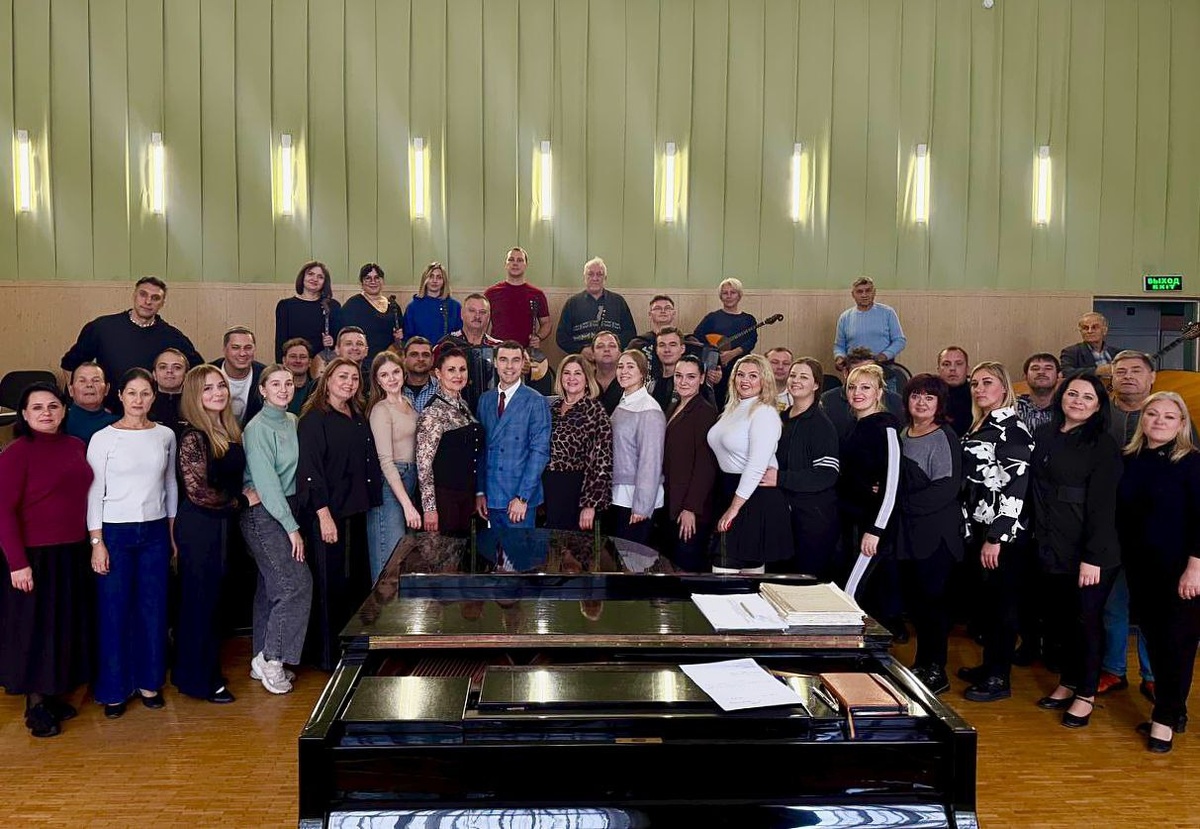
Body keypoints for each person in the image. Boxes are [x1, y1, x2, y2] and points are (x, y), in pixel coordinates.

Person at [0, 383, 94, 737]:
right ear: (24, 414)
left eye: (53, 406)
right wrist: (17, 563)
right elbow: (3, 512)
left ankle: (54, 694)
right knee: (35, 630)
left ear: (64, 410)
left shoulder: (76, 446)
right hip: (33, 556)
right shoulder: (16, 453)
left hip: (72, 551)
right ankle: (36, 704)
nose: (46, 413)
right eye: (37, 407)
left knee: (63, 626)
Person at [1029, 372, 1122, 728]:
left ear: (1098, 406)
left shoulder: (1103, 444)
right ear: (1061, 397)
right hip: (1053, 543)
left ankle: (1086, 694)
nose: (1078, 401)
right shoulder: (1046, 434)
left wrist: (1092, 558)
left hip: (1092, 552)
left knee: (1087, 622)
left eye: (1087, 397)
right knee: (1062, 621)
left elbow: (1104, 506)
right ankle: (1068, 681)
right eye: (1072, 394)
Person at [86, 368, 178, 718]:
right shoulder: (103, 438)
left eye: (145, 393)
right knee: (114, 610)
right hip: (114, 532)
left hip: (154, 531)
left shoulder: (165, 435)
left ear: (154, 397)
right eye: (132, 393)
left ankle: (149, 682)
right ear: (120, 395)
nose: (139, 400)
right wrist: (97, 540)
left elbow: (170, 485)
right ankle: (114, 688)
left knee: (153, 609)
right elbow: (94, 491)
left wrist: (171, 533)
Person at [1118, 392, 1200, 752]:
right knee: (1154, 638)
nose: (1159, 421)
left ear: (1182, 424)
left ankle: (1164, 720)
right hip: (1141, 568)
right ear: (1143, 418)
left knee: (1177, 644)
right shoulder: (1130, 458)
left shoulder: (1192, 462)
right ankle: (1174, 709)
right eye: (1153, 414)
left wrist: (1195, 567)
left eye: (1169, 416)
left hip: (1182, 569)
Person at [298, 357, 382, 671]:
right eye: (342, 377)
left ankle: (353, 650)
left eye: (354, 378)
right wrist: (323, 515)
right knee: (328, 584)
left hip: (355, 508)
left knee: (355, 582)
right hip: (327, 513)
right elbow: (310, 470)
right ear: (328, 380)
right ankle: (327, 656)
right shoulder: (314, 418)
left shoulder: (357, 414)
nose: (349, 383)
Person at [958, 361, 1035, 703]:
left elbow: (1017, 486)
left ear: (1004, 388)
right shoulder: (981, 424)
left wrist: (996, 537)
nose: (979, 389)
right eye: (975, 384)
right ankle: (989, 664)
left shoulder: (1011, 429)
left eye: (987, 382)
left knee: (1004, 607)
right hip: (980, 526)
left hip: (1005, 535)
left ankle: (998, 677)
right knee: (988, 605)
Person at [172, 366, 247, 705]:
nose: (217, 393)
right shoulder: (194, 436)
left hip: (222, 525)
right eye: (207, 389)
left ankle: (197, 671)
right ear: (194, 396)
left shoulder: (227, 429)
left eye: (220, 386)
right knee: (199, 603)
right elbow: (199, 492)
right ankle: (201, 681)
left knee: (214, 603)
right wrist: (242, 501)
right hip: (200, 526)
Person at [241, 365, 312, 695]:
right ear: (262, 390)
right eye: (275, 384)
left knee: (270, 586)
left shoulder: (292, 421)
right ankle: (273, 659)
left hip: (287, 507)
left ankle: (261, 655)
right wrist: (292, 528)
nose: (284, 389)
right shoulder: (256, 429)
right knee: (295, 585)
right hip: (265, 514)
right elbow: (267, 486)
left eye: (288, 383)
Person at [897, 374, 963, 696]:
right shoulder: (902, 433)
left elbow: (945, 489)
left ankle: (937, 670)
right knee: (917, 605)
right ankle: (922, 665)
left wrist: (898, 502)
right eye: (916, 396)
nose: (921, 402)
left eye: (929, 397)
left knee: (934, 605)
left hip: (936, 535)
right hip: (909, 534)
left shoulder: (943, 436)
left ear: (939, 403)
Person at [1100, 349, 1159, 697]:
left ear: (1152, 377)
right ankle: (1113, 669)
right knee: (1113, 604)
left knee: (1152, 606)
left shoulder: (1166, 414)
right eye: (1120, 371)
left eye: (1136, 370)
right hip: (1109, 526)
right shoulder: (1100, 412)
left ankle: (1152, 674)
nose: (1128, 376)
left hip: (1154, 531)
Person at [61, 276, 204, 410]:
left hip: (153, 415)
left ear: (162, 303)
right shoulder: (102, 328)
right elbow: (69, 365)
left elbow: (199, 372)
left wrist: (187, 406)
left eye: (155, 298)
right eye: (143, 294)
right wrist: (79, 405)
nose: (148, 301)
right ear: (134, 295)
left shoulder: (173, 337)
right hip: (110, 413)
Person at [707, 354, 793, 573]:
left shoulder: (764, 412)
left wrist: (734, 508)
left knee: (727, 574)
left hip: (753, 497)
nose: (745, 380)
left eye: (753, 376)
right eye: (740, 374)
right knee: (744, 575)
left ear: (764, 380)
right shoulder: (733, 408)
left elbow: (756, 466)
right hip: (730, 491)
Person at [835, 363, 904, 632]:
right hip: (851, 523)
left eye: (865, 387)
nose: (858, 393)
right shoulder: (855, 426)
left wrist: (876, 530)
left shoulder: (885, 427)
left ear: (879, 393)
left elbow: (892, 482)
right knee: (859, 594)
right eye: (852, 387)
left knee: (850, 594)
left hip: (872, 528)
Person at [475, 342, 552, 529]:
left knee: (518, 548)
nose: (509, 366)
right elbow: (480, 450)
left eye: (515, 360)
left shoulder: (536, 401)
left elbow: (539, 452)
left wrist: (522, 497)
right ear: (495, 362)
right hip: (491, 497)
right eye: (503, 360)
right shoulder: (485, 400)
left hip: (518, 500)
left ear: (523, 363)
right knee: (493, 548)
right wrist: (480, 492)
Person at [776, 358, 840, 580]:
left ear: (816, 385)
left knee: (806, 584)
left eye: (804, 377)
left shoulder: (821, 424)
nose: (796, 380)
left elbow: (826, 474)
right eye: (793, 375)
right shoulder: (781, 418)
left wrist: (780, 478)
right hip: (785, 518)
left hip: (813, 520)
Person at [365, 352, 422, 581]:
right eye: (384, 375)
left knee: (404, 562)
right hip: (390, 484)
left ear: (403, 372)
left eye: (395, 372)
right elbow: (385, 461)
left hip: (411, 479)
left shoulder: (408, 403)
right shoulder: (381, 409)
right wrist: (407, 505)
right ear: (378, 381)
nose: (391, 378)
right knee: (389, 562)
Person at [416, 348, 484, 536]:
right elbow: (424, 465)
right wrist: (430, 509)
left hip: (465, 495)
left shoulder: (463, 405)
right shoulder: (433, 412)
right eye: (451, 370)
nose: (458, 375)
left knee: (463, 549)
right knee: (444, 552)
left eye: (462, 369)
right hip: (444, 498)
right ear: (438, 373)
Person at [543, 355, 613, 531]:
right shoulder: (552, 408)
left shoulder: (595, 411)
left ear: (587, 379)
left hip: (576, 488)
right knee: (552, 542)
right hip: (550, 487)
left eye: (577, 373)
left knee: (573, 545)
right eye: (567, 373)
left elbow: (601, 462)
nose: (571, 378)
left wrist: (590, 504)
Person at [662, 356, 719, 571]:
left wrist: (690, 508)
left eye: (691, 377)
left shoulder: (705, 412)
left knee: (686, 567)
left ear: (702, 379)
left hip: (691, 508)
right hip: (672, 501)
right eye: (679, 376)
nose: (683, 382)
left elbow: (706, 466)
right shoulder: (674, 404)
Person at [609, 350, 666, 545]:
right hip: (619, 495)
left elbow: (651, 462)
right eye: (620, 366)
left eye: (630, 366)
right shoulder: (625, 401)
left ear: (642, 372)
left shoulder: (648, 409)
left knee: (633, 558)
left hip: (635, 499)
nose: (623, 371)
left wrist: (642, 506)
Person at [693, 278, 757, 407]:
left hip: (740, 368)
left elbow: (751, 340)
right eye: (725, 293)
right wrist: (714, 354)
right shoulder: (712, 318)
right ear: (720, 296)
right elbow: (697, 338)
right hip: (717, 370)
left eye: (732, 292)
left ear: (739, 295)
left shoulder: (748, 319)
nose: (729, 296)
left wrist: (733, 353)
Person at [555, 257, 637, 355]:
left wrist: (612, 348)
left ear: (605, 278)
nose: (595, 278)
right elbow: (561, 337)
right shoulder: (572, 303)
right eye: (590, 274)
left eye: (599, 274)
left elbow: (630, 333)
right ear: (584, 277)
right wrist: (580, 350)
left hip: (613, 358)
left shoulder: (618, 302)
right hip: (581, 359)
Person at [438, 292, 501, 413]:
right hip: (453, 411)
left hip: (491, 411)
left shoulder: (498, 347)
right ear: (462, 314)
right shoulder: (446, 344)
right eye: (472, 311)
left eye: (482, 312)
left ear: (489, 317)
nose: (477, 316)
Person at [832, 276, 907, 373]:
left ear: (874, 292)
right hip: (854, 369)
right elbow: (839, 346)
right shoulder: (845, 317)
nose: (864, 295)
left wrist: (884, 356)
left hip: (883, 366)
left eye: (868, 291)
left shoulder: (888, 313)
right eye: (859, 292)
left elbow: (899, 340)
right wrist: (839, 357)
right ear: (853, 294)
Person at [274, 261, 341, 361]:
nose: (315, 279)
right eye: (310, 274)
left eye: (320, 277)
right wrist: (280, 365)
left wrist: (332, 341)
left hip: (322, 363)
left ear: (324, 282)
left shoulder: (332, 306)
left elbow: (338, 339)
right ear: (302, 277)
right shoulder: (285, 306)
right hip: (294, 362)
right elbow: (280, 341)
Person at [485, 247, 550, 348]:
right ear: (506, 264)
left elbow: (546, 323)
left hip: (525, 351)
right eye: (511, 260)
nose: (515, 263)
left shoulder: (537, 295)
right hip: (497, 351)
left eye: (520, 260)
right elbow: (483, 325)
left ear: (526, 265)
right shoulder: (491, 293)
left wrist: (538, 337)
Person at [340, 263, 404, 364]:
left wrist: (399, 337)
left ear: (382, 281)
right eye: (368, 278)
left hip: (388, 361)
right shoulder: (353, 305)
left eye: (377, 278)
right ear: (361, 282)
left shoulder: (393, 305)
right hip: (362, 362)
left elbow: (401, 333)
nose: (373, 281)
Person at [211, 326, 265, 426]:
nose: (242, 353)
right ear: (224, 350)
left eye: (248, 348)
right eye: (235, 347)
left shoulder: (265, 375)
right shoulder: (207, 374)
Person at [403, 261, 462, 344]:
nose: (435, 281)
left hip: (447, 350)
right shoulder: (413, 307)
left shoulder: (455, 306)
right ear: (425, 280)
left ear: (444, 281)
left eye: (439, 277)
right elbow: (408, 337)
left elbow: (459, 334)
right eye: (431, 277)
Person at [65, 361, 118, 445]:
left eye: (96, 380)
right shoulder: (59, 423)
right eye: (82, 381)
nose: (89, 385)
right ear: (70, 390)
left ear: (106, 389)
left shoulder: (118, 424)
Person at [1060, 312, 1122, 376]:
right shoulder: (1071, 352)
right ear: (1081, 331)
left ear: (1104, 330)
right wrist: (1096, 371)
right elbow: (1066, 372)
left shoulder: (1118, 353)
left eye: (1094, 327)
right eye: (1085, 328)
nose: (1089, 331)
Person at [1016, 352, 1061, 434]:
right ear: (1025, 376)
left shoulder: (1067, 408)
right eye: (1035, 369)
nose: (1041, 372)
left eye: (1048, 368)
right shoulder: (1012, 407)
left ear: (1059, 376)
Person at [148, 347, 189, 434]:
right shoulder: (144, 405)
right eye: (163, 367)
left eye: (177, 367)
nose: (169, 371)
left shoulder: (196, 406)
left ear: (186, 375)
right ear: (154, 374)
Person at [648, 327, 686, 411]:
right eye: (662, 345)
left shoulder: (689, 384)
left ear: (682, 349)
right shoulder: (651, 385)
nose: (667, 350)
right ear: (656, 350)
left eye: (672, 345)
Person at [937, 346, 972, 436]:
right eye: (946, 364)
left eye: (959, 364)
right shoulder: (929, 397)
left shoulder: (978, 394)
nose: (952, 368)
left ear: (967, 369)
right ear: (938, 370)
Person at [400, 337, 439, 413]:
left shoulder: (443, 390)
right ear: (404, 358)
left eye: (425, 355)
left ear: (432, 359)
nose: (420, 359)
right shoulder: (394, 390)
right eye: (414, 354)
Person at [591, 331, 624, 415]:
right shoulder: (584, 383)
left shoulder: (629, 382)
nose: (606, 350)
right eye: (600, 346)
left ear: (619, 353)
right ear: (593, 354)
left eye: (612, 346)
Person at [281, 337, 316, 415]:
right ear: (284, 360)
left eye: (303, 357)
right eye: (293, 356)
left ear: (310, 362)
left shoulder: (317, 390)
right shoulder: (275, 390)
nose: (298, 361)